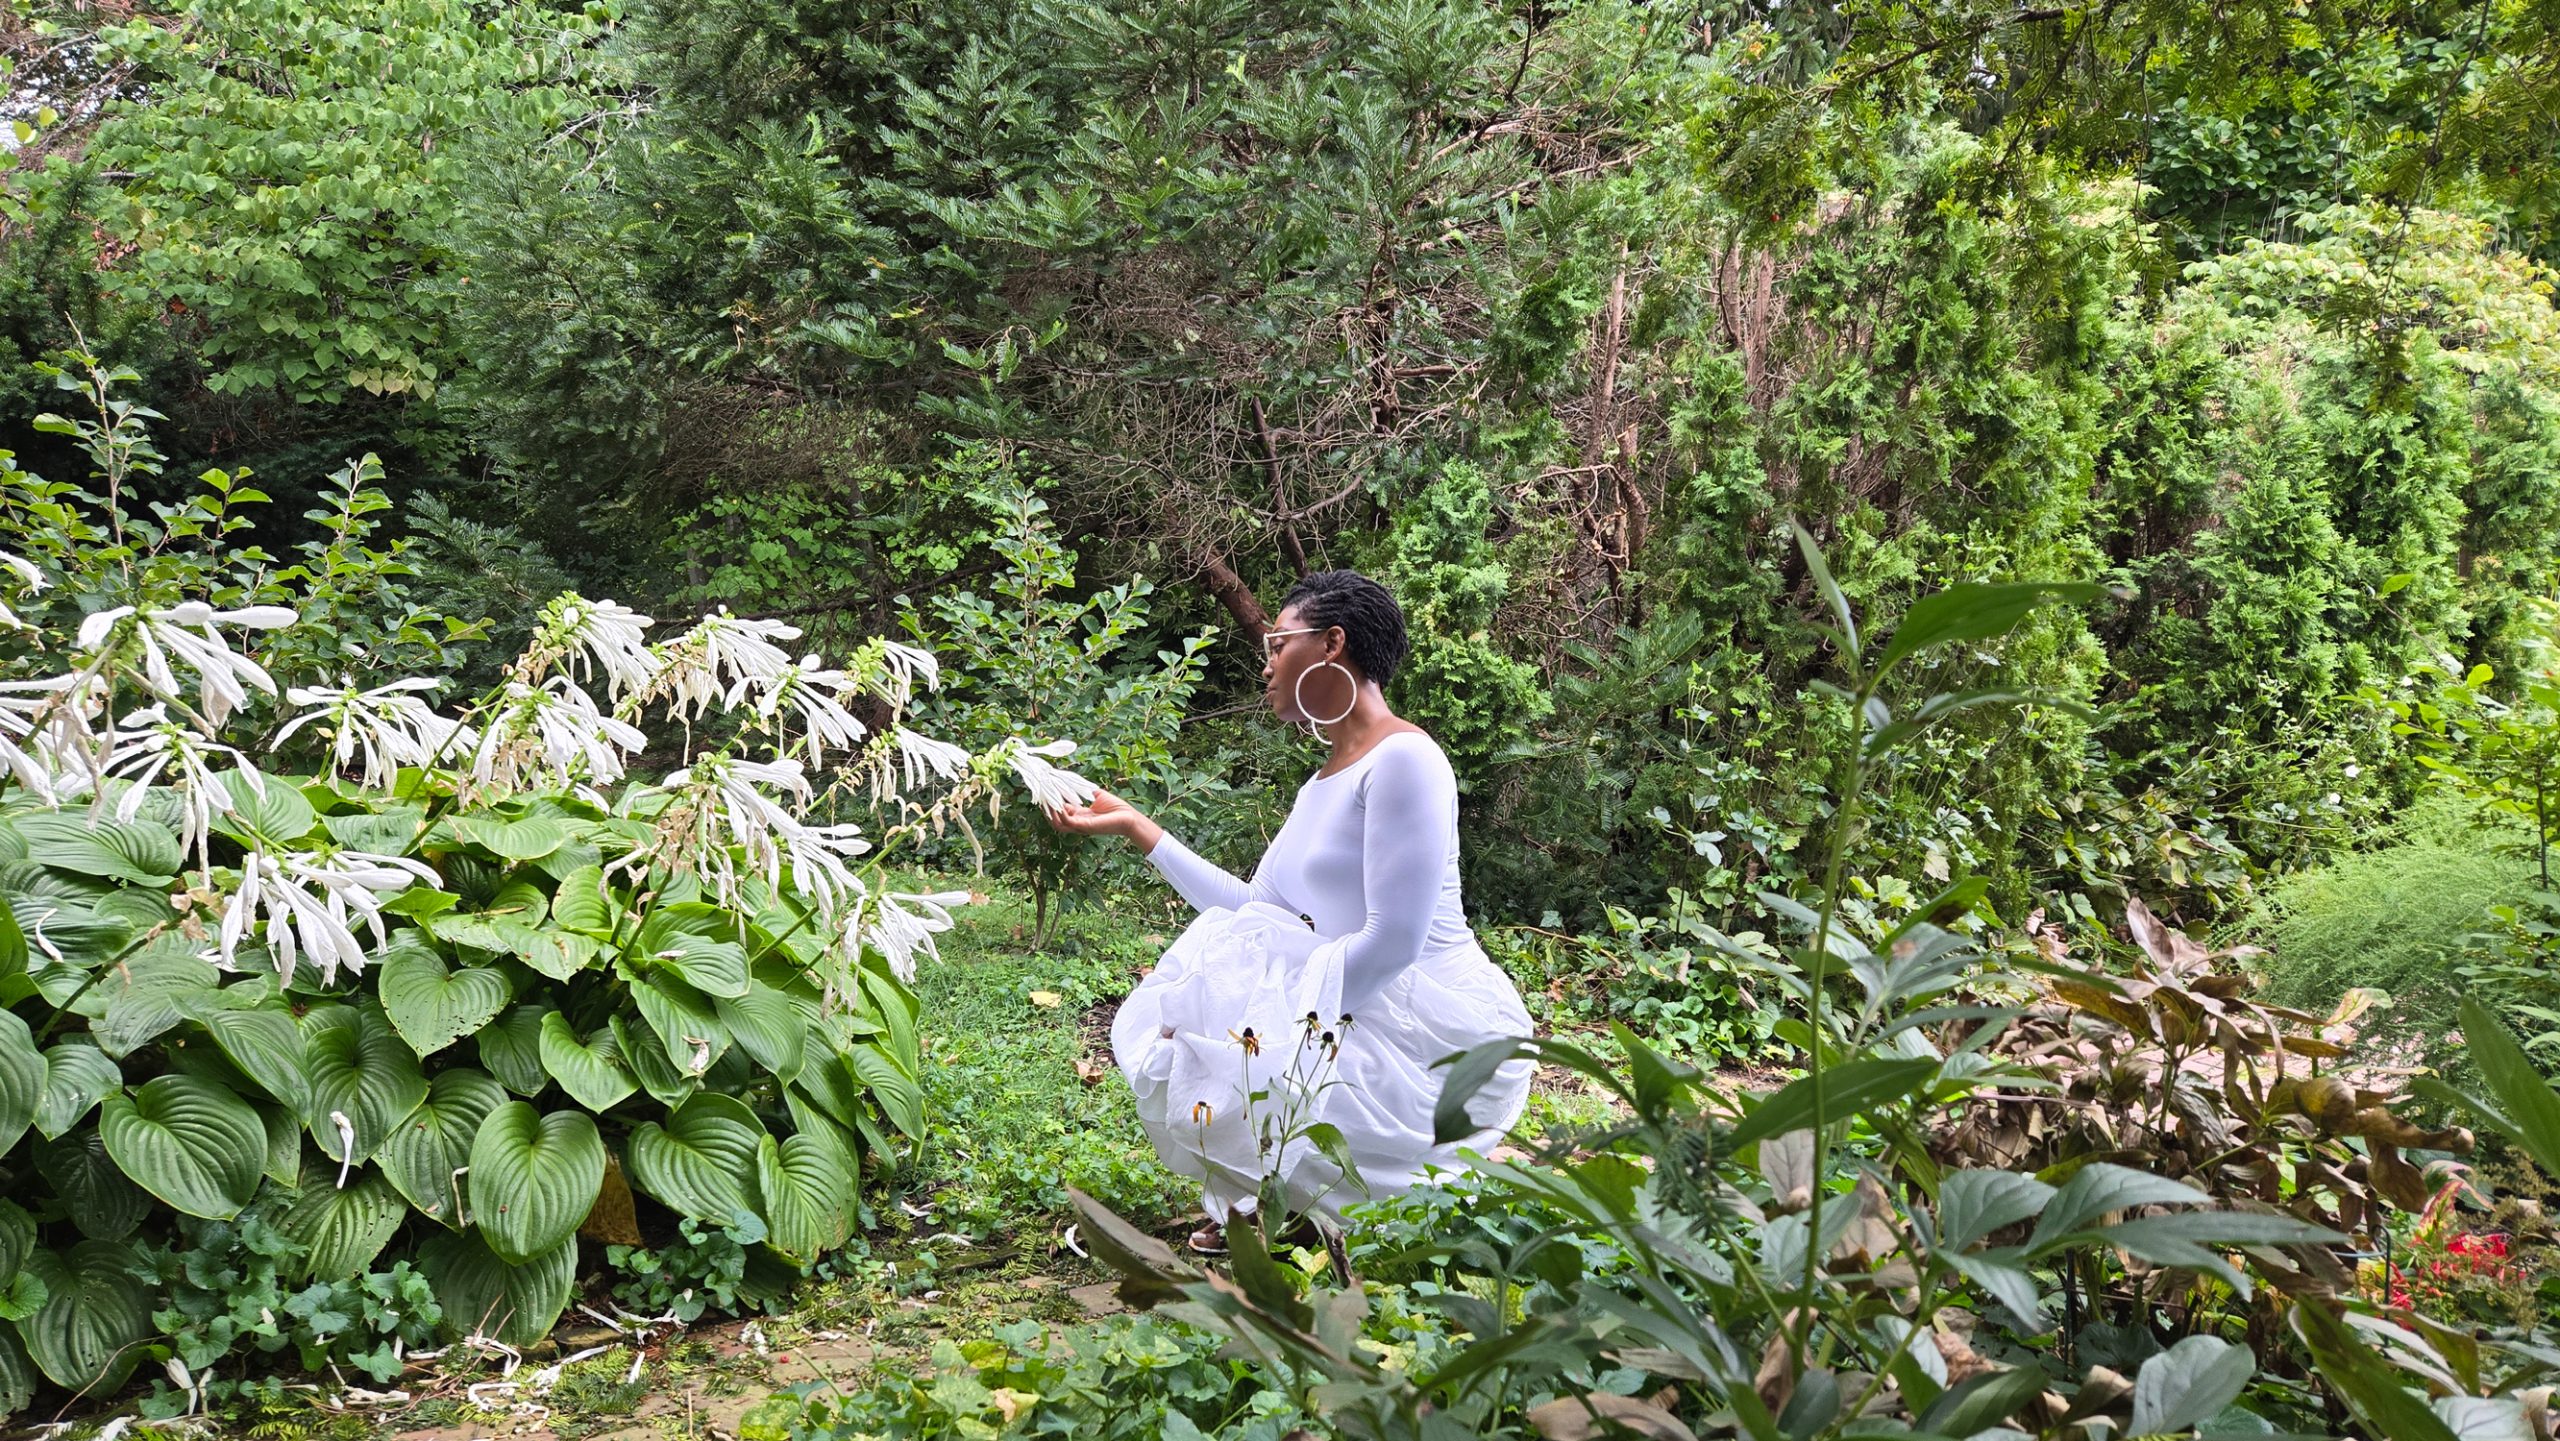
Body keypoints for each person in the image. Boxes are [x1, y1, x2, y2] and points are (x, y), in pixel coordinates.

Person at [1046, 569, 1534, 1252]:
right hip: (1355, 1005)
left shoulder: (1405, 760)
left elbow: (1394, 943)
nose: (1267, 664)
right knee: (1226, 960)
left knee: (1247, 1026)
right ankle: (1299, 1194)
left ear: (1332, 643)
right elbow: (1255, 906)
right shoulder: (1324, 779)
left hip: (1427, 1025)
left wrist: (1287, 1032)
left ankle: (1309, 1190)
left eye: (1279, 643)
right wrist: (1139, 829)